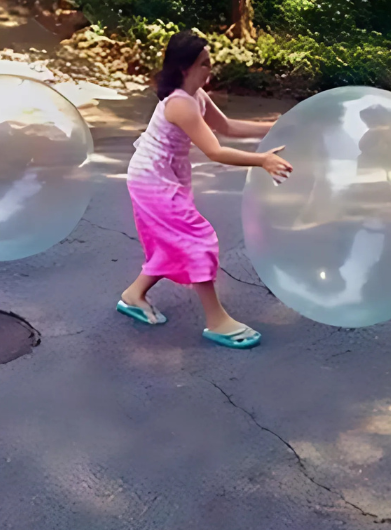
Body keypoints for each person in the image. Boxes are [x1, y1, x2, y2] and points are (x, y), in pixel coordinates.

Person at [118, 32, 292, 349]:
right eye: (203, 64)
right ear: (184, 68)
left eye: (209, 62)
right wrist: (262, 160)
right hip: (151, 181)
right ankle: (217, 320)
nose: (209, 69)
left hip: (168, 175)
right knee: (197, 239)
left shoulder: (196, 95)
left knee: (174, 241)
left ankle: (133, 295)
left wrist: (277, 126)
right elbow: (215, 151)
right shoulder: (179, 104)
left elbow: (227, 127)